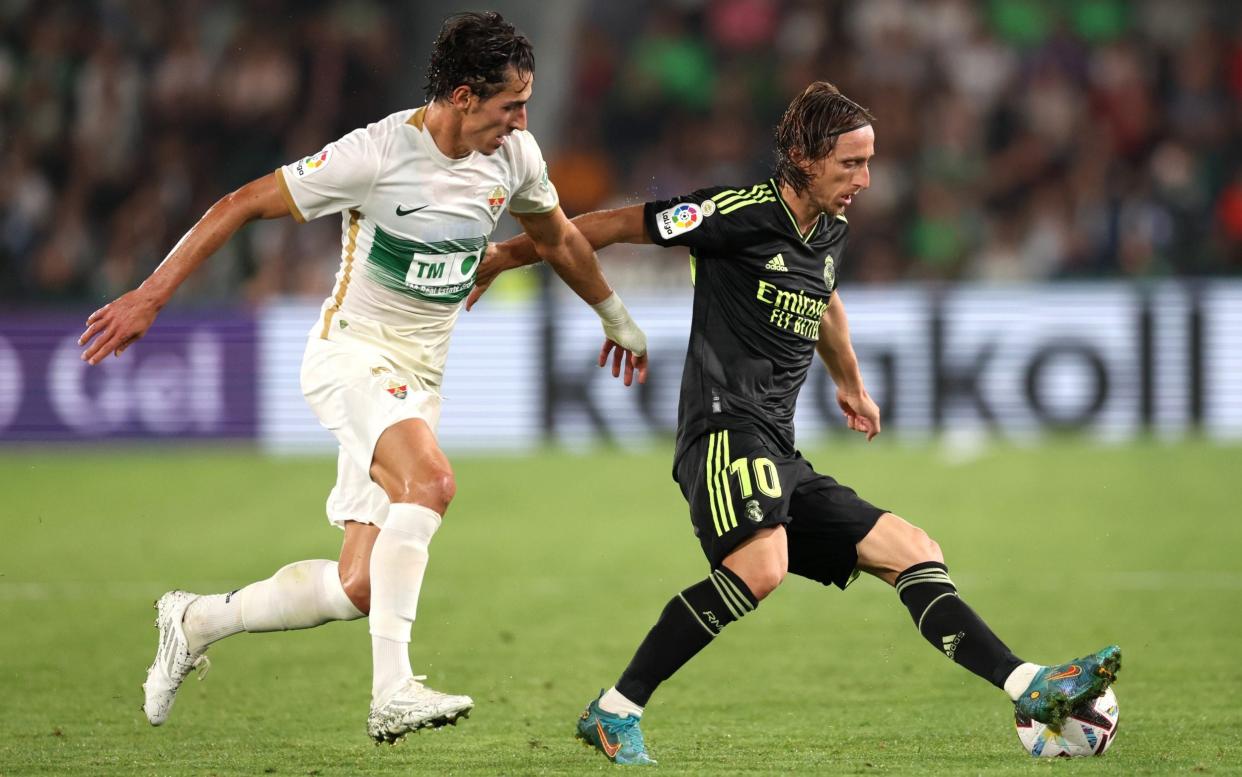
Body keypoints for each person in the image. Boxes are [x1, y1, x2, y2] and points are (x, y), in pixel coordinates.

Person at [471, 81, 1120, 765]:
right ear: (804, 158)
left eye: (869, 163)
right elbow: (601, 228)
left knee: (912, 548)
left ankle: (1030, 684)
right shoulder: (735, 213)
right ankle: (617, 708)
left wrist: (851, 383)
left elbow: (826, 296)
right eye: (851, 164)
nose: (865, 180)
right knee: (761, 564)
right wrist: (500, 256)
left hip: (778, 446)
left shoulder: (831, 227)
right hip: (722, 431)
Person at [77, 11, 648, 744]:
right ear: (466, 95)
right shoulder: (374, 154)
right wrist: (151, 294)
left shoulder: (515, 157)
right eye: (511, 104)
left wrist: (614, 314)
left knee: (361, 586)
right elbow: (240, 203)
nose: (522, 120)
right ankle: (393, 690)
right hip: (352, 356)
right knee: (432, 484)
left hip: (417, 377)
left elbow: (558, 236)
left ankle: (194, 619)